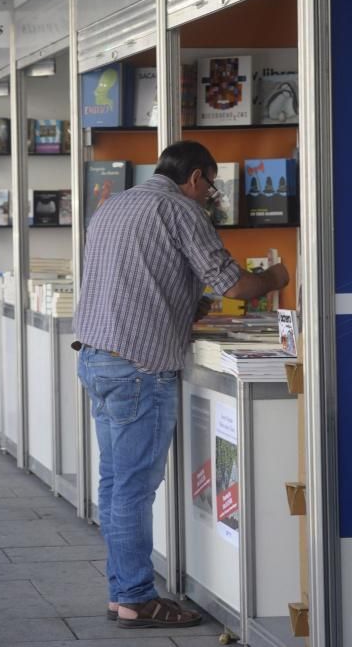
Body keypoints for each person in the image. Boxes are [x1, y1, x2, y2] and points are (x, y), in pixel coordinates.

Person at [74, 140, 289, 629]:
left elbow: (132, 280)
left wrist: (186, 301)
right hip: (139, 367)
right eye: (211, 185)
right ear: (195, 177)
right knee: (132, 489)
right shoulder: (181, 209)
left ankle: (121, 590)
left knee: (114, 485)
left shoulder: (115, 205)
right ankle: (134, 597)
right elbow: (232, 283)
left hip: (98, 357)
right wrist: (276, 275)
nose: (210, 194)